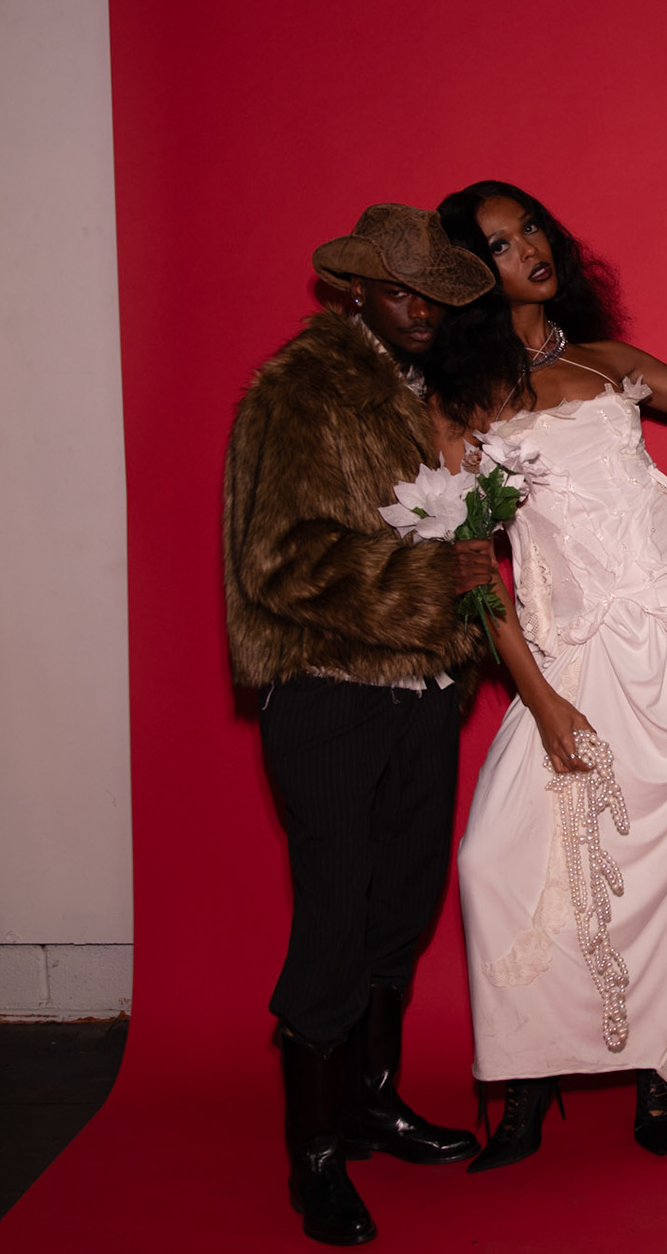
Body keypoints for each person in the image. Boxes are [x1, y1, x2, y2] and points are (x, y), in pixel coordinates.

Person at [426, 180, 667, 1172]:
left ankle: (658, 1066)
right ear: (470, 276)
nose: (530, 248)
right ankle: (527, 1087)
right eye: (501, 244)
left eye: (531, 227)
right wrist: (540, 700)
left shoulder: (606, 360)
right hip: (579, 655)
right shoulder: (459, 407)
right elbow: (473, 576)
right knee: (498, 863)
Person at [222, 203, 498, 1246]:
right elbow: (281, 559)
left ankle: (369, 1104)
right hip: (329, 691)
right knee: (335, 922)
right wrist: (434, 578)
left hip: (420, 693)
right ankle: (315, 1156)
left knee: (403, 905)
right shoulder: (303, 387)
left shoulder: (429, 390)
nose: (419, 309)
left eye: (431, 294)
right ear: (354, 291)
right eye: (397, 291)